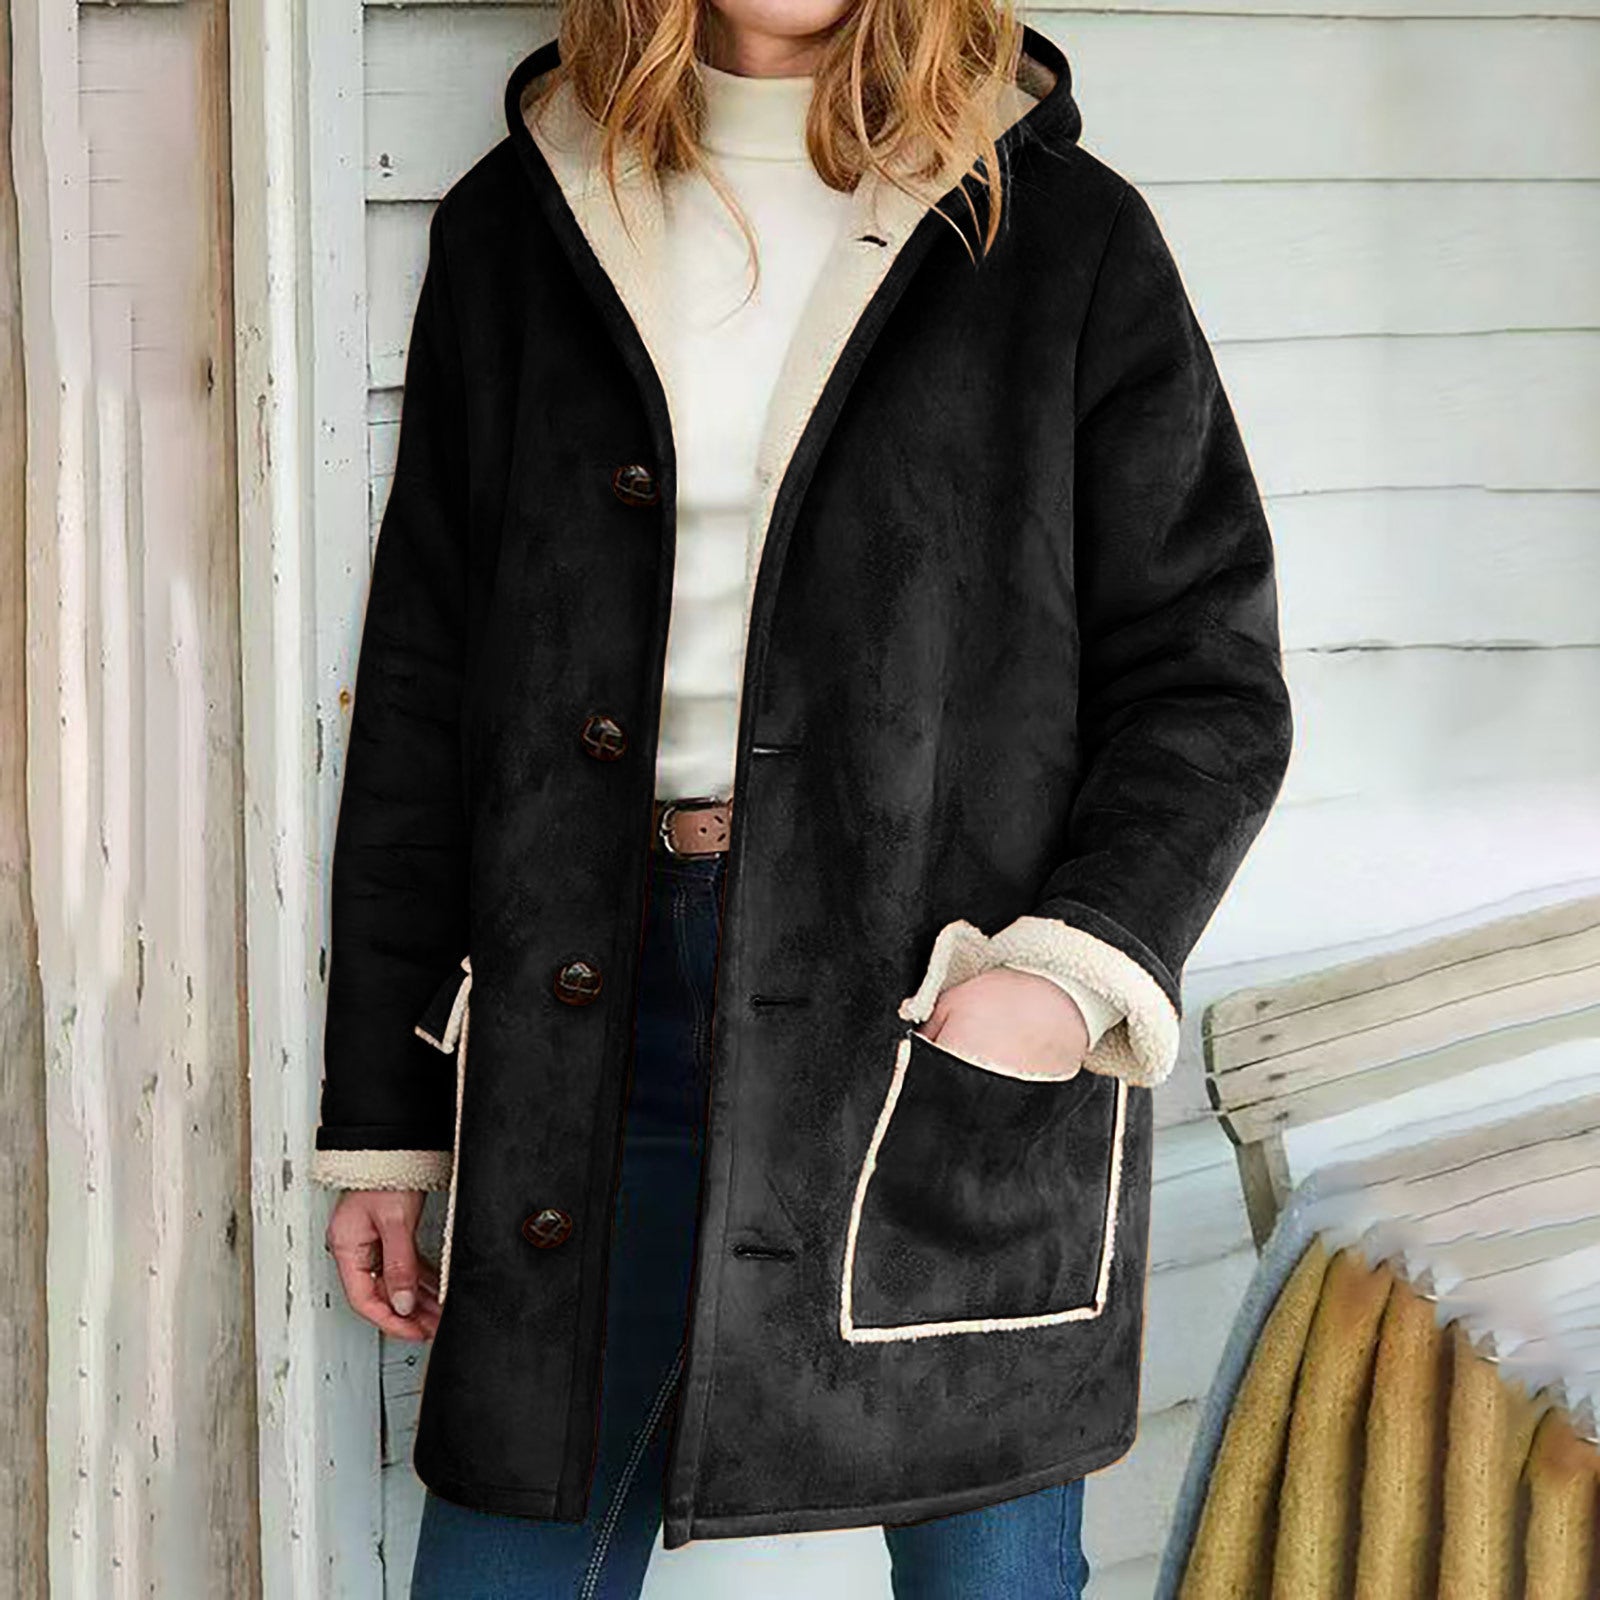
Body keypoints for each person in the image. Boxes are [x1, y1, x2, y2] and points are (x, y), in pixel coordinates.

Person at [310, 1, 1295, 1596]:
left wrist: (1065, 975)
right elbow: (427, 689)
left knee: (989, 1573)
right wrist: (386, 1123)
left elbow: (1208, 677)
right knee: (508, 1567)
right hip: (592, 1016)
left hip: (942, 1010)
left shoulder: (1061, 235)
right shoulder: (522, 226)